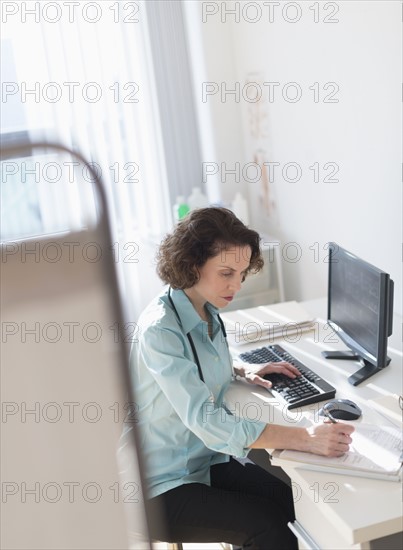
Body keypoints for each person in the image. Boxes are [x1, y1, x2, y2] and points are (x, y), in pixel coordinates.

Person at [130, 207, 354, 549]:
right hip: (160, 485)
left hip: (203, 461)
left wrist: (240, 369)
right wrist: (306, 438)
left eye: (242, 273)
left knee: (294, 505)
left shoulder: (204, 307)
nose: (236, 285)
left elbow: (196, 365)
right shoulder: (160, 329)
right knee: (266, 528)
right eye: (226, 273)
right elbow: (207, 421)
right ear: (193, 265)